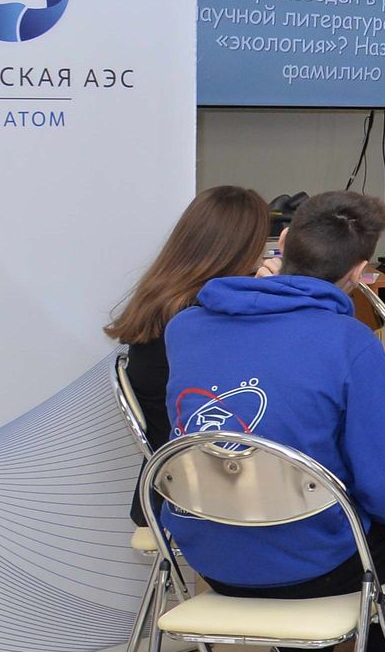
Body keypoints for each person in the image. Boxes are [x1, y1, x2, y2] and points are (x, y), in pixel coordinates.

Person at [160, 192, 385, 652]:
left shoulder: (185, 328)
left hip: (212, 557)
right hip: (312, 562)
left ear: (281, 246)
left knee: (295, 530)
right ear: (359, 273)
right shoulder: (348, 342)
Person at [107, 185, 274, 459]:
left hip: (169, 463)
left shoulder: (162, 298)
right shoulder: (198, 318)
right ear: (240, 249)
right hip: (201, 468)